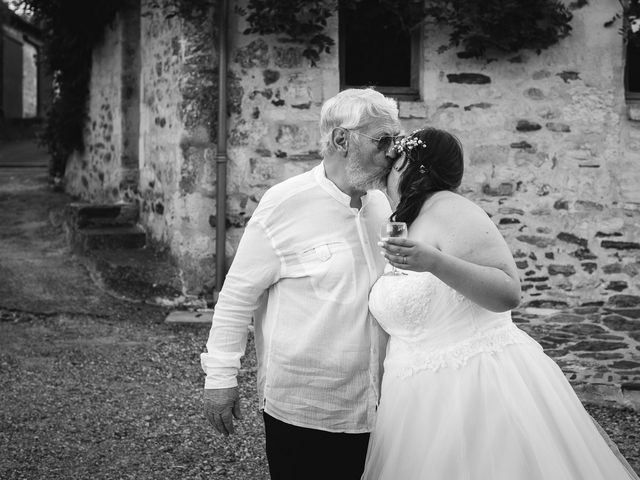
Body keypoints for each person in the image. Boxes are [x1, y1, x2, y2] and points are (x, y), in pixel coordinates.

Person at [362, 127, 640, 480]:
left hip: (472, 387)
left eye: (397, 160)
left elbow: (509, 292)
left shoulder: (452, 209)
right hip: (413, 391)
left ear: (414, 165)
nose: (389, 169)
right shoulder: (406, 219)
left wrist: (434, 262)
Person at [200, 88, 402, 480]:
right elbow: (238, 296)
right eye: (383, 141)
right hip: (307, 409)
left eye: (395, 141)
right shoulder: (284, 204)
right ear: (342, 139)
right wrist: (220, 378)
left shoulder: (382, 206)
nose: (392, 152)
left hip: (381, 406)